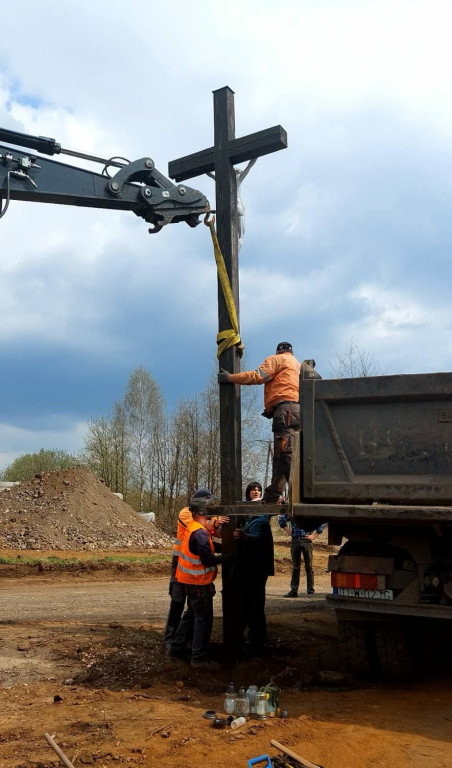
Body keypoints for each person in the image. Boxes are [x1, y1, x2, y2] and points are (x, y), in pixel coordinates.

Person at [218, 342, 320, 503]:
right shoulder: (297, 365)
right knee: (281, 457)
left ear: (278, 351)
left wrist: (230, 378)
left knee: (286, 454)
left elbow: (258, 376)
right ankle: (272, 497)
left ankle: (301, 495)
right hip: (298, 412)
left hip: (285, 411)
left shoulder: (277, 360)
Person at [167, 489, 230, 668]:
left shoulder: (196, 528)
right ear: (202, 512)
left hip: (188, 580)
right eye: (209, 511)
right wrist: (228, 558)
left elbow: (206, 545)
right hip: (198, 583)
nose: (212, 514)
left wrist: (223, 546)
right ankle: (199, 658)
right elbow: (207, 558)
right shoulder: (199, 531)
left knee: (192, 615)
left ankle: (176, 646)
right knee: (204, 619)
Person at [233, 491, 274, 654]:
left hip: (256, 570)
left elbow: (255, 538)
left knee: (255, 605)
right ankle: (254, 638)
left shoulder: (260, 522)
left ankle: (257, 641)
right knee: (251, 605)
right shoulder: (251, 521)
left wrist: (244, 536)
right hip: (253, 569)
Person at [278, 512, 324, 597]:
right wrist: (287, 530)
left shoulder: (309, 512)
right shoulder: (292, 512)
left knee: (309, 567)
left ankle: (310, 591)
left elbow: (321, 522)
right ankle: (294, 590)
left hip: (307, 541)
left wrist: (314, 535)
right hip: (295, 540)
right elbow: (281, 519)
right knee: (296, 567)